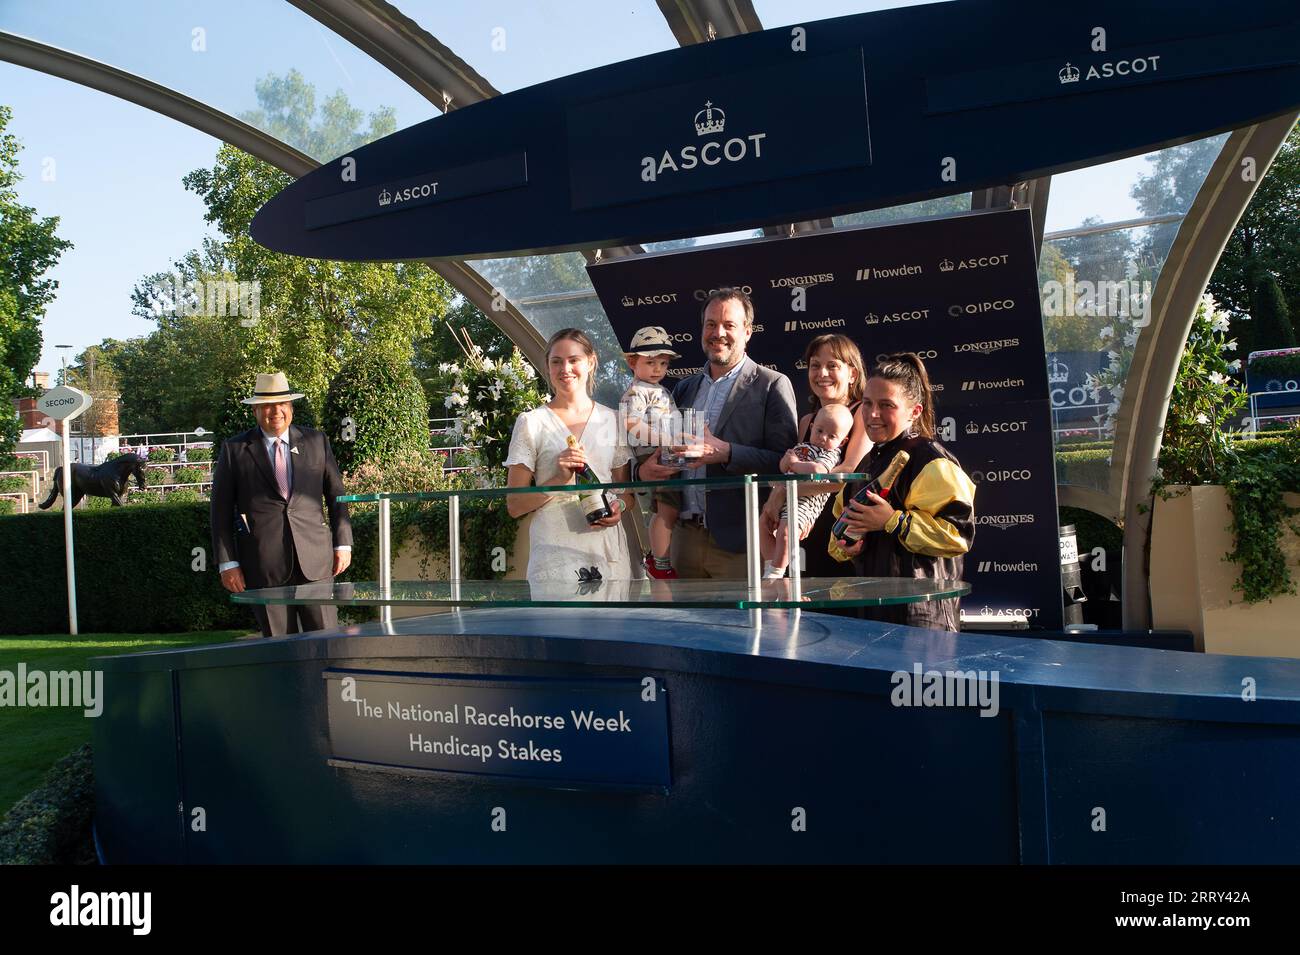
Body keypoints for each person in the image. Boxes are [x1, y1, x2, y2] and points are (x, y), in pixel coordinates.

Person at [638, 287, 798, 578]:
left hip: (742, 543)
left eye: (729, 325)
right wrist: (648, 469)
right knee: (686, 625)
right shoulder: (684, 389)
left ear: (748, 332)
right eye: (711, 324)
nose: (718, 332)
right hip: (683, 540)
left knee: (743, 625)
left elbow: (785, 464)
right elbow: (667, 452)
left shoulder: (772, 385)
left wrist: (725, 452)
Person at [829, 352, 975, 631]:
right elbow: (838, 537)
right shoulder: (866, 463)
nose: (873, 414)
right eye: (868, 403)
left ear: (914, 411)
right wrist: (847, 543)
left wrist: (892, 521)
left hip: (923, 620)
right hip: (873, 616)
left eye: (886, 405)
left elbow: (958, 535)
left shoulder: (932, 460)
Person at [211, 371, 353, 637]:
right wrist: (227, 563)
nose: (275, 411)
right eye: (267, 405)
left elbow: (337, 496)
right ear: (255, 411)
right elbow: (219, 513)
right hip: (264, 566)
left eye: (282, 404)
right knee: (279, 646)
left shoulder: (316, 441)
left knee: (325, 641)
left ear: (291, 408)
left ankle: (326, 681)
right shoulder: (234, 450)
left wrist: (343, 543)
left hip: (317, 564)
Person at [505, 328, 634, 585]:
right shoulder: (531, 423)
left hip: (608, 552)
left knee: (615, 624)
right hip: (555, 555)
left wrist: (618, 509)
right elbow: (515, 505)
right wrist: (557, 478)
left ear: (590, 362)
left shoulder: (611, 420)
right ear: (548, 367)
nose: (565, 368)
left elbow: (626, 494)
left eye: (573, 360)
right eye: (557, 361)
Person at [760, 333, 871, 578]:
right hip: (805, 526)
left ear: (852, 373)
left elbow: (844, 476)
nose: (822, 373)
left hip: (842, 532)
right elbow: (794, 468)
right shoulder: (807, 421)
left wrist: (780, 493)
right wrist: (777, 501)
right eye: (815, 366)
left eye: (832, 365)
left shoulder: (863, 412)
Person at [619, 325, 685, 579]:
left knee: (668, 510)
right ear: (632, 362)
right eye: (650, 362)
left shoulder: (661, 391)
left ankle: (658, 558)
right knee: (665, 509)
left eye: (663, 363)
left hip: (668, 453)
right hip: (653, 456)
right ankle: (659, 562)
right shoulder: (636, 392)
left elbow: (675, 423)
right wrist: (665, 439)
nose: (657, 368)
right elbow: (631, 425)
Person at [761, 402, 854, 579]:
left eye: (832, 436)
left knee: (786, 533)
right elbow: (782, 467)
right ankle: (770, 567)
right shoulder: (801, 446)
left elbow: (818, 471)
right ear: (812, 427)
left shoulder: (830, 454)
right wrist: (786, 462)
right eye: (819, 431)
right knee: (762, 525)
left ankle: (776, 572)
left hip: (805, 501)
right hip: (785, 496)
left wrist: (795, 464)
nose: (823, 438)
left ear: (842, 442)